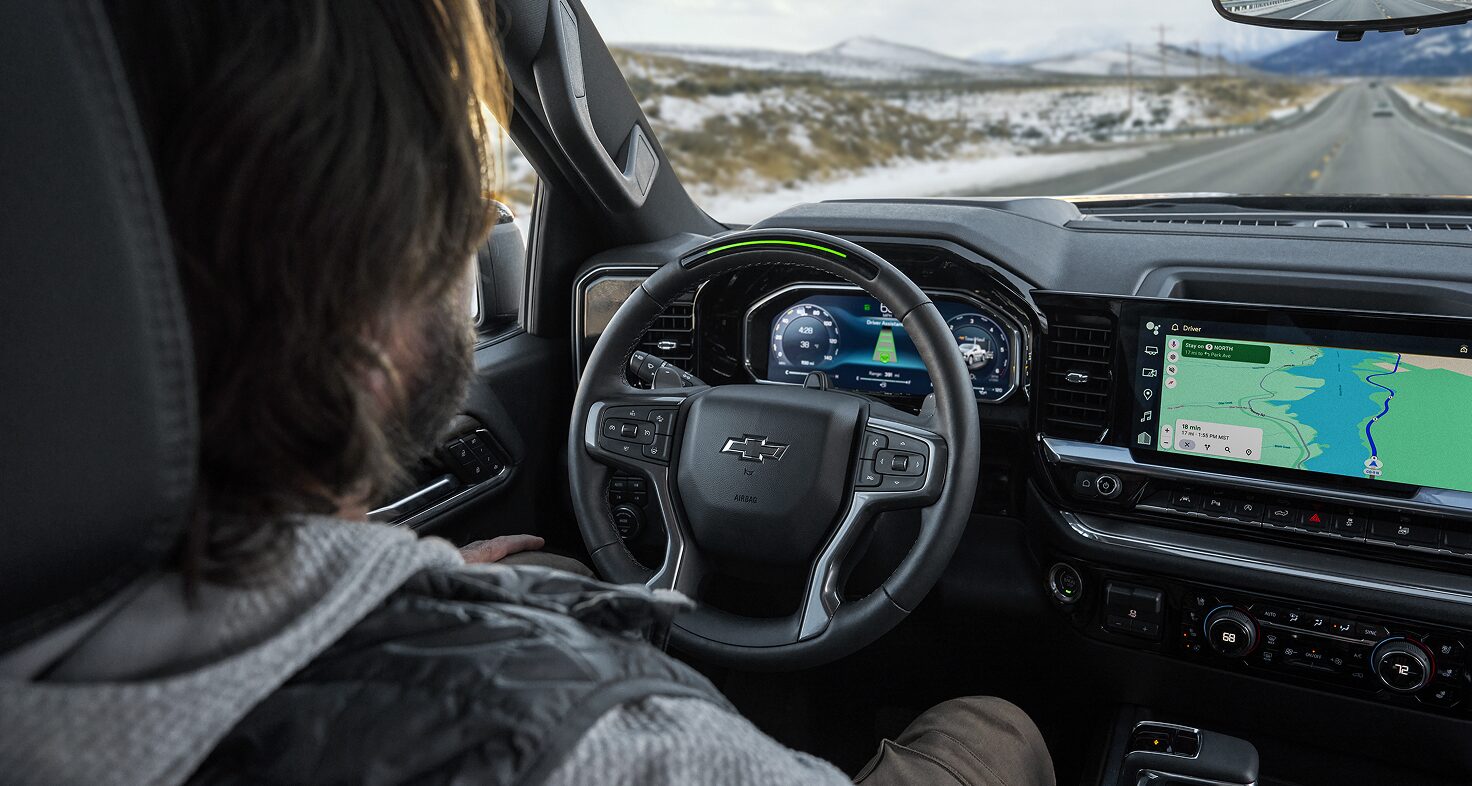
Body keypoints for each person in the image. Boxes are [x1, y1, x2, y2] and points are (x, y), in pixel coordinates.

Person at [0, 1, 1054, 784]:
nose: (472, 236)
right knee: (1003, 726)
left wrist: (420, 580)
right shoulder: (604, 755)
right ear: (366, 295)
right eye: (450, 207)